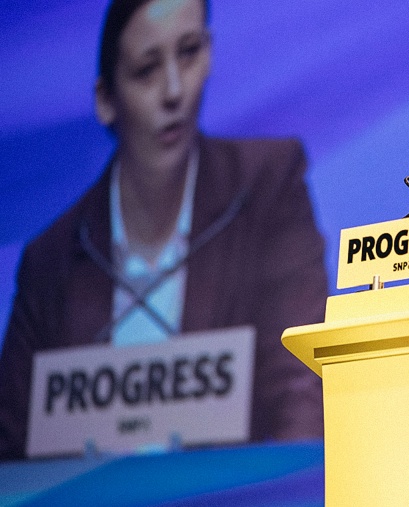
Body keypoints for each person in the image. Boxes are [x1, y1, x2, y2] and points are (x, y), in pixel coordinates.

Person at [0, 0, 327, 460]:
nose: (174, 91)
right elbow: (12, 457)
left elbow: (299, 393)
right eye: (146, 70)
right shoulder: (50, 261)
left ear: (210, 54)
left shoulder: (267, 189)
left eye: (189, 52)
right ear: (105, 99)